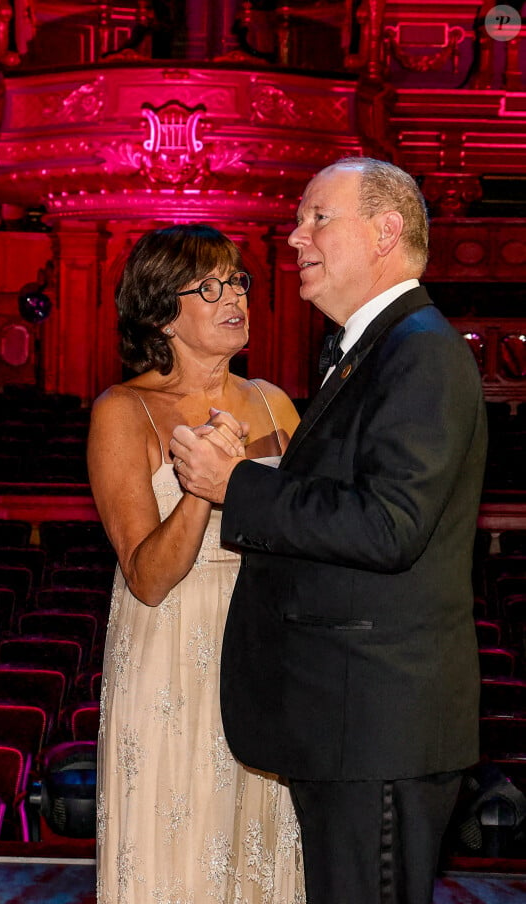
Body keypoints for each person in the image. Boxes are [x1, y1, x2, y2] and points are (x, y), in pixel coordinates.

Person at [170, 158, 488, 904]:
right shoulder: (376, 351)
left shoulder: (421, 354)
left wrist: (236, 484)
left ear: (385, 232)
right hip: (350, 721)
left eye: (318, 217)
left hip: (376, 725)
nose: (293, 237)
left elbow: (389, 527)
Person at [86, 223, 304, 904]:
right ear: (161, 311)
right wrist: (206, 486)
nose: (233, 293)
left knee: (260, 856)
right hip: (172, 657)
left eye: (237, 278)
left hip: (266, 650)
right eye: (209, 285)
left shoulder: (275, 404)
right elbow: (147, 578)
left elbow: (311, 534)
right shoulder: (124, 412)